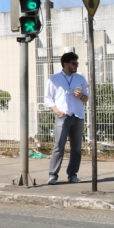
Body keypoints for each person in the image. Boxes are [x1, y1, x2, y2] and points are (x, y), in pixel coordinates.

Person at [44, 51, 90, 185]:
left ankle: (72, 175)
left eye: (77, 63)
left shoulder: (80, 79)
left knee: (76, 147)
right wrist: (57, 111)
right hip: (63, 116)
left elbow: (87, 98)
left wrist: (81, 96)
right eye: (74, 63)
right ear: (65, 64)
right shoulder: (54, 79)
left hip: (78, 115)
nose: (76, 65)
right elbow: (47, 98)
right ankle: (53, 175)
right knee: (59, 146)